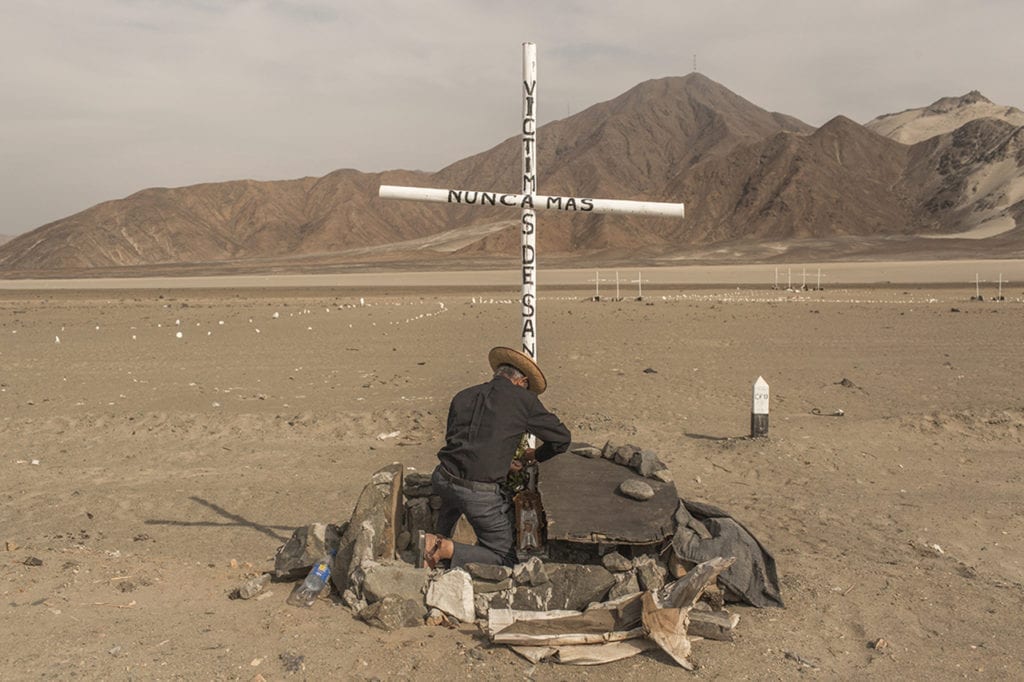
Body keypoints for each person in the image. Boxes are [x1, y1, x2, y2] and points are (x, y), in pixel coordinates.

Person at [418, 346, 571, 569]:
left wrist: (501, 463)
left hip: (443, 476)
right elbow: (561, 439)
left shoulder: (463, 395)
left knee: (453, 502)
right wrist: (535, 455)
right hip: (477, 492)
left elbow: (461, 442)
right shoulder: (523, 400)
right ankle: (442, 548)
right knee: (504, 557)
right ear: (522, 382)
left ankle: (433, 545)